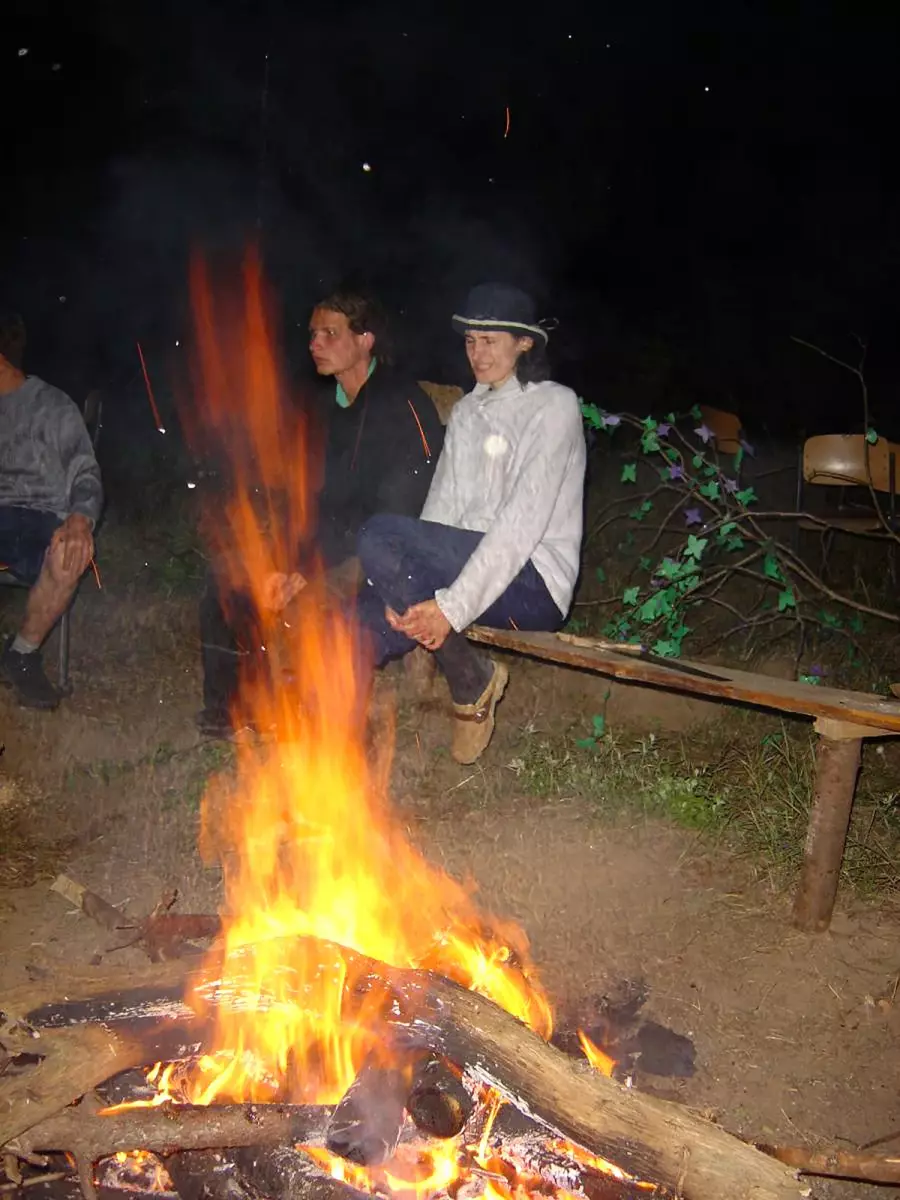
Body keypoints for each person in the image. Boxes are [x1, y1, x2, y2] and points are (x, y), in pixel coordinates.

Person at [197, 288, 445, 737]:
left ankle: (304, 718)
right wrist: (282, 561)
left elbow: (402, 513)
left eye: (330, 333)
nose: (315, 344)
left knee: (308, 604)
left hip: (380, 557)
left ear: (366, 339)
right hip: (321, 551)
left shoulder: (402, 405)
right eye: (312, 334)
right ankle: (232, 711)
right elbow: (299, 500)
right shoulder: (320, 410)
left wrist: (313, 573)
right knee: (228, 577)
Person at [357, 283, 586, 764]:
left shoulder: (555, 406)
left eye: (490, 341)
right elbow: (440, 512)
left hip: (533, 585)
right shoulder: (465, 413)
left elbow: (519, 527)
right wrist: (398, 590)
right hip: (465, 574)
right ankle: (338, 765)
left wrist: (449, 609)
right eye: (469, 341)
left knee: (378, 534)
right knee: (353, 622)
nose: (477, 354)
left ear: (524, 343)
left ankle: (467, 680)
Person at [0, 312, 103, 710]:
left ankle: (22, 655)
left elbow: (85, 473)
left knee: (68, 552)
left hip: (43, 518)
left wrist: (79, 520)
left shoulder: (52, 406)